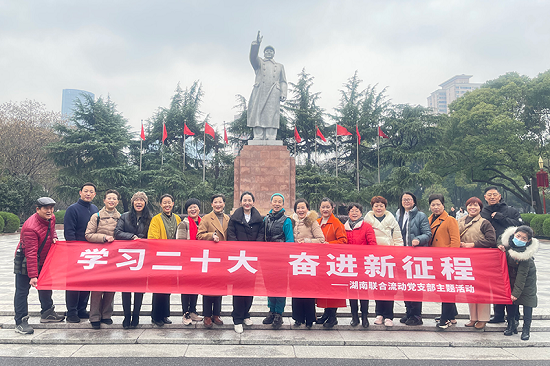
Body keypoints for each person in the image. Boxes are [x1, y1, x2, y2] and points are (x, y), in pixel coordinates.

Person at [13, 197, 65, 334]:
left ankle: (48, 313)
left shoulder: (51, 218)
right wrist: (33, 276)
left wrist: (54, 237)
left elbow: (52, 230)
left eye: (51, 208)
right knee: (22, 291)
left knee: (46, 285)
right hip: (26, 260)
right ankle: (20, 321)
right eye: (46, 208)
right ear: (38, 209)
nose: (49, 211)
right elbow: (30, 253)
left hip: (43, 259)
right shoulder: (30, 227)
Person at [481, 186, 522, 324]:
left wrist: (501, 218)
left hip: (510, 253)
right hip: (491, 253)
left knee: (510, 283)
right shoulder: (483, 212)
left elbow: (519, 227)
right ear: (485, 197)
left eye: (495, 194)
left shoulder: (510, 210)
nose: (492, 197)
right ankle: (498, 314)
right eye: (489, 195)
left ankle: (514, 315)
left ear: (500, 196)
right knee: (495, 285)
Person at [458, 196, 497, 330]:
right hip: (465, 262)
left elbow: (492, 240)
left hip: (481, 261)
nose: (472, 208)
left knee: (482, 290)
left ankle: (483, 318)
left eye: (476, 205)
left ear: (480, 208)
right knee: (470, 290)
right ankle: (473, 317)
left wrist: (472, 245)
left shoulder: (485, 223)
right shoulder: (460, 221)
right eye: (470, 205)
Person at [114, 191, 152, 329]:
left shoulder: (150, 218)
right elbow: (117, 232)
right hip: (127, 257)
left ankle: (136, 315)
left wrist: (143, 240)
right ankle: (126, 316)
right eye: (136, 199)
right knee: (126, 288)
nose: (139, 202)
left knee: (139, 288)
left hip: (143, 257)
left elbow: (152, 236)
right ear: (132, 202)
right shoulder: (125, 216)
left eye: (141, 200)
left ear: (145, 202)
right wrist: (131, 237)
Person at [364, 196, 403, 327]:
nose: (378, 208)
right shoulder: (367, 220)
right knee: (377, 286)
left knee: (389, 287)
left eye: (381, 205)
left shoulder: (392, 221)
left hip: (389, 257)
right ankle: (379, 314)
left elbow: (398, 238)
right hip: (374, 257)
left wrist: (398, 255)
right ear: (372, 207)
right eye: (376, 205)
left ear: (385, 207)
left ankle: (389, 315)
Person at [227, 191, 263, 333]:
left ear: (253, 202)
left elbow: (261, 235)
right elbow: (231, 234)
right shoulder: (234, 218)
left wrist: (254, 249)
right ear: (241, 202)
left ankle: (246, 314)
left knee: (250, 287)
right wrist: (239, 249)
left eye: (249, 200)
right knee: (238, 287)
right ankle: (237, 318)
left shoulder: (259, 219)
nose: (247, 202)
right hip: (239, 257)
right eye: (244, 200)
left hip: (252, 258)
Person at [85, 189, 121, 329]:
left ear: (117, 202)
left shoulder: (121, 217)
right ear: (104, 200)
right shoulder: (96, 216)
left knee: (111, 286)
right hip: (99, 255)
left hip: (114, 255)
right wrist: (104, 238)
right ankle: (94, 316)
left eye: (114, 199)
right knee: (97, 287)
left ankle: (106, 315)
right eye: (109, 198)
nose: (111, 201)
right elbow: (88, 234)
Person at [64, 182, 99, 323]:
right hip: (76, 252)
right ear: (80, 192)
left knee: (87, 282)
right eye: (86, 191)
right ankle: (71, 311)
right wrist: (74, 251)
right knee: (74, 283)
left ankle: (81, 309)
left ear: (95, 195)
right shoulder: (72, 209)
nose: (88, 194)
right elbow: (69, 233)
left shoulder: (95, 209)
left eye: (91, 191)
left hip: (91, 253)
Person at [395, 191, 432, 326]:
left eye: (409, 199)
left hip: (415, 255)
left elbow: (427, 234)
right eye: (404, 199)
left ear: (414, 201)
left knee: (415, 285)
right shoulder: (398, 214)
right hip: (402, 255)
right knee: (405, 284)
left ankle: (416, 315)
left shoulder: (421, 216)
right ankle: (408, 312)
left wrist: (418, 239)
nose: (406, 202)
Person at [258, 193, 294, 329]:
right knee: (269, 285)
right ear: (271, 203)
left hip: (281, 259)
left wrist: (284, 256)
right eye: (275, 201)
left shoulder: (287, 220)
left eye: (280, 202)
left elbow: (290, 240)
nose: (277, 204)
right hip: (267, 258)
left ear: (283, 204)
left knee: (280, 286)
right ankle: (271, 311)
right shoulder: (265, 219)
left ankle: (279, 313)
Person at [499, 226, 538, 341]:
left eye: (524, 238)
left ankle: (526, 329)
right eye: (518, 236)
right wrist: (499, 246)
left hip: (527, 281)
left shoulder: (526, 255)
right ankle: (511, 324)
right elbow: (498, 239)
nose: (520, 239)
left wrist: (516, 293)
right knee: (510, 302)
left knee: (527, 303)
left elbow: (522, 276)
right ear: (514, 234)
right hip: (510, 278)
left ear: (528, 241)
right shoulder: (507, 243)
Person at [427, 194, 460, 329]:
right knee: (442, 288)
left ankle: (445, 318)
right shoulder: (428, 219)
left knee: (447, 289)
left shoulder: (450, 220)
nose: (435, 207)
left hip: (446, 260)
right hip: (434, 259)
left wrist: (451, 258)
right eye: (433, 205)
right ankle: (451, 315)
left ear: (443, 205)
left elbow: (455, 241)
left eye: (438, 204)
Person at [291, 199, 325, 329]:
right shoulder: (291, 221)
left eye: (303, 208)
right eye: (298, 208)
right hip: (295, 260)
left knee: (308, 290)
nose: (300, 210)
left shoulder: (312, 222)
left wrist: (306, 241)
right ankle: (298, 318)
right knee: (296, 290)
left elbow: (321, 239)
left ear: (307, 209)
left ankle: (310, 318)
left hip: (309, 260)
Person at [197, 194, 230, 328]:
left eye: (220, 202)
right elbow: (199, 235)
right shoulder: (206, 218)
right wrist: (211, 236)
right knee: (208, 286)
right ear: (211, 204)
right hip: (210, 257)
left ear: (223, 204)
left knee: (220, 286)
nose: (218, 204)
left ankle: (216, 314)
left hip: (223, 257)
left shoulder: (228, 218)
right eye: (215, 202)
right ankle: (207, 315)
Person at [247, 31, 287, 141]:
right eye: (267, 51)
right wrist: (257, 45)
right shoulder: (259, 63)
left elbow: (283, 81)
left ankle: (271, 135)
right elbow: (252, 57)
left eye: (271, 51)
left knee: (272, 113)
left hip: (274, 91)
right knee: (258, 112)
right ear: (264, 53)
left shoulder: (279, 66)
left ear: (274, 53)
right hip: (260, 90)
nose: (269, 53)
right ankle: (258, 135)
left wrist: (283, 92)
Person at [148, 194, 181, 327]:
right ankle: (156, 316)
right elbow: (152, 238)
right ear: (160, 205)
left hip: (173, 257)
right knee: (158, 287)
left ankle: (165, 314)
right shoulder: (156, 219)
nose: (167, 205)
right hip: (160, 257)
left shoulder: (177, 218)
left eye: (169, 202)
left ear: (173, 203)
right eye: (164, 203)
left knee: (168, 287)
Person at [315, 198, 348, 327]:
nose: (325, 209)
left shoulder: (337, 223)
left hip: (333, 262)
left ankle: (333, 316)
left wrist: (328, 244)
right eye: (323, 207)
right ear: (319, 209)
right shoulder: (317, 222)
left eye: (328, 207)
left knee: (333, 290)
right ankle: (326, 313)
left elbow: (343, 241)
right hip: (320, 262)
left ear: (332, 208)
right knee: (323, 289)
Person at [345, 202, 377, 328]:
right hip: (349, 264)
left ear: (361, 213)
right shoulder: (344, 227)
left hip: (363, 264)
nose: (354, 213)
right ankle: (354, 316)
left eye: (356, 211)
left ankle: (364, 316)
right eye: (351, 211)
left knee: (363, 291)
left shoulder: (366, 227)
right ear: (348, 213)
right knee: (352, 291)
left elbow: (372, 244)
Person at [175, 198, 204, 326]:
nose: (193, 209)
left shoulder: (203, 223)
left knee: (195, 286)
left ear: (199, 209)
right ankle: (185, 312)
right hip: (187, 260)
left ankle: (193, 310)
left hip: (200, 259)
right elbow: (180, 243)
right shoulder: (183, 224)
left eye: (195, 207)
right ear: (187, 210)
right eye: (190, 207)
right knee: (186, 287)